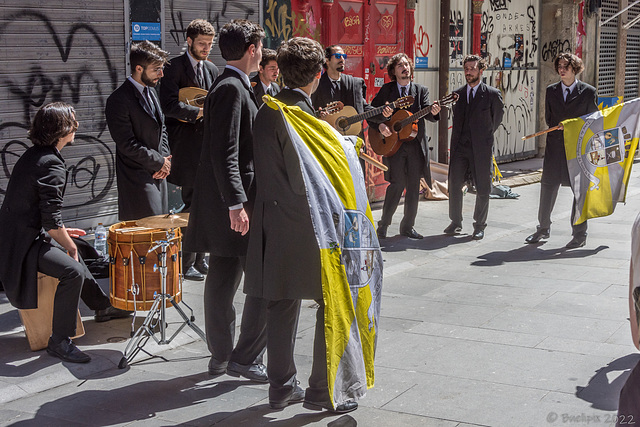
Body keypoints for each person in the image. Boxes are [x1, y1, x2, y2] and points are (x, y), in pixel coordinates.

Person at [245, 36, 358, 413]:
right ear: (316, 74)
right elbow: (304, 180)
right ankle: (321, 390)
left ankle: (280, 389)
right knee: (331, 302)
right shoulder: (302, 117)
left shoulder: (267, 109)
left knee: (280, 304)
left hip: (270, 221)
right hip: (306, 226)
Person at [0, 103, 130, 364]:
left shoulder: (34, 155)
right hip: (20, 246)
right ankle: (59, 340)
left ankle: (102, 306)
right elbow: (50, 220)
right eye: (73, 121)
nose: (77, 125)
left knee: (80, 246)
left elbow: (39, 212)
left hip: (17, 236)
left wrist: (63, 235)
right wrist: (63, 241)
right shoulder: (51, 166)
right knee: (72, 270)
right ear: (61, 130)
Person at [184, 19, 268, 382]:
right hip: (236, 205)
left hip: (227, 202)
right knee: (265, 282)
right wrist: (237, 204)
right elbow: (225, 151)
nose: (262, 54)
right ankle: (243, 357)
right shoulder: (232, 87)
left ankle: (221, 356)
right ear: (252, 50)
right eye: (261, 49)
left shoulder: (228, 84)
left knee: (221, 277)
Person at [160, 19, 219, 281]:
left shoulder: (213, 69)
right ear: (189, 41)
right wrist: (200, 112)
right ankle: (185, 263)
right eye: (202, 43)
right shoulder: (173, 68)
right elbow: (169, 105)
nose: (206, 48)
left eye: (210, 44)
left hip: (206, 148)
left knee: (204, 203)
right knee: (189, 205)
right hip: (185, 147)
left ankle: (200, 257)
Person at [525, 52, 598, 248]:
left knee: (579, 192)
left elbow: (592, 121)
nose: (562, 69)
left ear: (575, 68)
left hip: (577, 149)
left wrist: (572, 126)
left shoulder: (588, 92)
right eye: (559, 66)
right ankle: (542, 228)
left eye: (566, 66)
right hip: (555, 148)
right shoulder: (551, 90)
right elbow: (549, 118)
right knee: (547, 187)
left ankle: (579, 234)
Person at [369, 53, 441, 240]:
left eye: (407, 65)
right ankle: (383, 225)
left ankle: (408, 227)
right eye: (400, 65)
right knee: (396, 184)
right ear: (393, 71)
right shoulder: (387, 90)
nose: (405, 68)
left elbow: (428, 114)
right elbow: (371, 112)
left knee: (413, 186)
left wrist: (434, 112)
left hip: (415, 146)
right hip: (394, 146)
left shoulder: (420, 90)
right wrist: (381, 125)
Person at [105, 40, 172, 221]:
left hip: (159, 174)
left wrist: (165, 159)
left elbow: (162, 127)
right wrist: (158, 161)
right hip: (136, 178)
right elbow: (127, 144)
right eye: (156, 69)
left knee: (160, 232)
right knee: (145, 232)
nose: (161, 74)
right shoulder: (118, 100)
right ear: (139, 68)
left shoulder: (151, 91)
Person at [444, 54, 504, 240]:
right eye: (466, 68)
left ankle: (479, 225)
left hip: (481, 148)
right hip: (460, 148)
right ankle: (455, 222)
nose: (468, 72)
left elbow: (497, 119)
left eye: (472, 68)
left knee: (483, 187)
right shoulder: (457, 94)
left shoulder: (492, 95)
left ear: (481, 70)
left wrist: (484, 137)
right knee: (454, 184)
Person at [311, 45, 370, 117]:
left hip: (350, 127)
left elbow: (364, 107)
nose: (342, 59)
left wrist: (384, 113)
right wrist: (318, 115)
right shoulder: (316, 84)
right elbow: (307, 111)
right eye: (338, 56)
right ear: (327, 61)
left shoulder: (354, 83)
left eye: (344, 56)